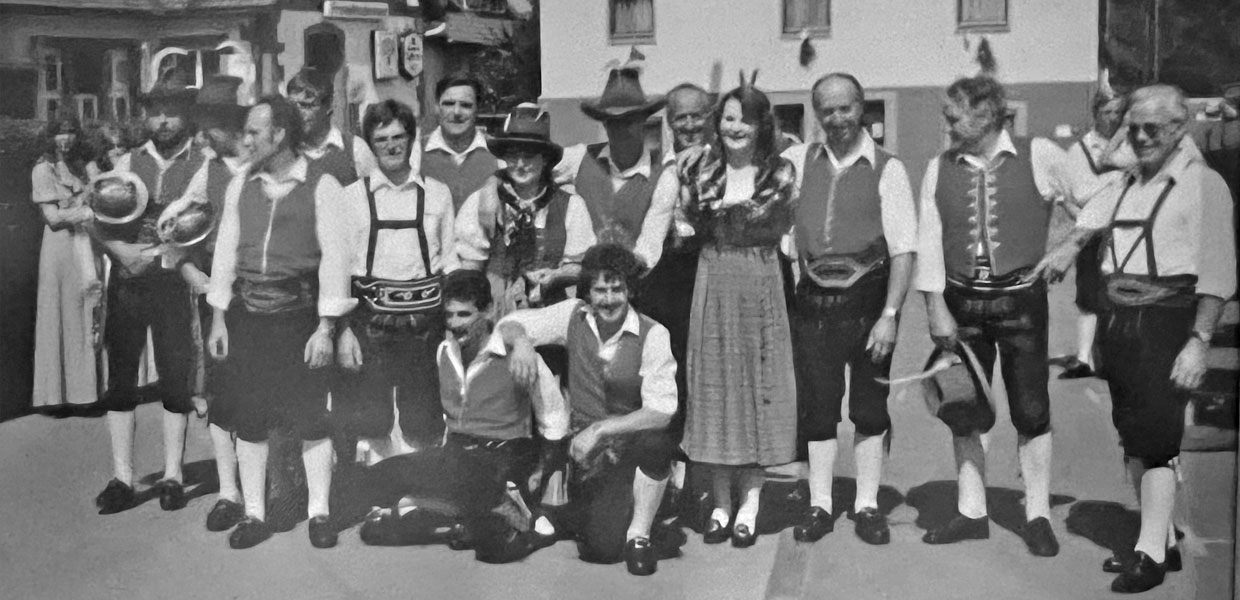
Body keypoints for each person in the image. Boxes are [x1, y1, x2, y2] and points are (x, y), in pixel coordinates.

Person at [1029, 84, 1236, 594]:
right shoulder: (1124, 183)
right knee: (1131, 431)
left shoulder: (1203, 185)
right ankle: (1160, 536)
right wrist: (1064, 251)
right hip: (1118, 322)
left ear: (1180, 128)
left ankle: (1149, 554)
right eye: (1133, 126)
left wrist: (1199, 341)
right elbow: (1090, 220)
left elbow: (1217, 272)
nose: (1140, 137)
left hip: (1167, 321)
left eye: (1153, 128)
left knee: (1158, 437)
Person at [913, 75, 1071, 557]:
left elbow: (1101, 194)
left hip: (1021, 302)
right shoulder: (939, 168)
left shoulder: (1040, 153)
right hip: (963, 305)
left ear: (984, 115)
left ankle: (1038, 515)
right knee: (963, 406)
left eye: (953, 115)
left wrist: (1071, 244)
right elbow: (928, 242)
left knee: (1031, 411)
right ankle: (971, 510)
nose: (947, 123)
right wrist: (935, 307)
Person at [206, 96, 351, 549]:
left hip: (299, 318)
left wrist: (326, 328)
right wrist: (218, 319)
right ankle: (253, 513)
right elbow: (224, 254)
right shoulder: (240, 185)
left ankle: (320, 514)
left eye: (253, 132)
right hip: (248, 317)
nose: (245, 140)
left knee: (309, 415)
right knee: (250, 417)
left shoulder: (321, 185)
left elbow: (335, 261)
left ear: (280, 134)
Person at [780, 73, 917, 545]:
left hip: (868, 299)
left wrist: (890, 315)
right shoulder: (797, 162)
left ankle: (867, 505)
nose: (837, 119)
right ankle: (820, 504)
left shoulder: (888, 168)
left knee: (868, 407)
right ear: (816, 114)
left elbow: (903, 251)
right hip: (813, 299)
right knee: (818, 410)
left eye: (846, 108)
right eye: (827, 111)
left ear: (862, 108)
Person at [356, 269, 569, 559]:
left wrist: (544, 474)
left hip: (503, 458)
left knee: (493, 550)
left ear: (488, 310)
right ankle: (464, 516)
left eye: (464, 315)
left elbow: (554, 418)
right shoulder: (444, 351)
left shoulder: (519, 355)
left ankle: (510, 519)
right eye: (449, 315)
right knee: (378, 481)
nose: (455, 324)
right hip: (458, 455)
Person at [497, 244, 682, 576]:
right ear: (588, 291)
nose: (609, 300)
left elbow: (661, 411)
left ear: (630, 290)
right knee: (598, 549)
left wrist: (600, 430)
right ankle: (640, 517)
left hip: (631, 452)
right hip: (587, 460)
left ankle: (640, 534)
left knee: (656, 443)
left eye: (617, 289)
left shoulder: (653, 333)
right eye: (600, 289)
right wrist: (523, 343)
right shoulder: (573, 314)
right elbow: (511, 322)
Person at [677, 78, 799, 548]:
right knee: (715, 390)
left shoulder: (781, 172)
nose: (736, 127)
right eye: (728, 117)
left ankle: (750, 503)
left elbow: (775, 224)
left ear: (761, 124)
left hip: (760, 281)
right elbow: (687, 219)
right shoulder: (700, 169)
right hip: (712, 281)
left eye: (745, 118)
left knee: (756, 390)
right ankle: (720, 505)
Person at [90, 75, 203, 516]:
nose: (163, 120)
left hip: (174, 282)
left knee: (176, 375)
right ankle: (123, 478)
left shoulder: (202, 164)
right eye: (155, 111)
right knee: (120, 379)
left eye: (172, 111)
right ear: (145, 115)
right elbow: (94, 214)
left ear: (186, 114)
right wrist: (121, 250)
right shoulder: (127, 162)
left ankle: (173, 475)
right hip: (129, 280)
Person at [332, 99, 458, 461]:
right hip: (370, 323)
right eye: (382, 138)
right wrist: (343, 332)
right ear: (371, 144)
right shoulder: (351, 198)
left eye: (398, 136)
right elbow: (339, 272)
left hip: (426, 323)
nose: (391, 145)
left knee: (424, 414)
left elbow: (449, 261)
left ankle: (417, 498)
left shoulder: (437, 193)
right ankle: (382, 494)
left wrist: (450, 325)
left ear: (411, 139)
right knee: (372, 416)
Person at [181, 74, 251, 533]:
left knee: (266, 390)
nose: (207, 134)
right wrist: (193, 273)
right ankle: (229, 491)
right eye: (205, 124)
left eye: (215, 124)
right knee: (222, 393)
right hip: (222, 300)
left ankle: (270, 486)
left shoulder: (271, 166)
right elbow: (178, 229)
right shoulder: (209, 171)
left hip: (269, 295)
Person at [456, 102, 595, 316]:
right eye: (513, 155)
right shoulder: (482, 201)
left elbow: (579, 267)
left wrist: (555, 275)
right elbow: (470, 268)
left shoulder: (570, 205)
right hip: (495, 311)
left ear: (545, 158)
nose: (520, 164)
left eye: (529, 156)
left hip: (550, 312)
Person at [553, 63, 674, 269]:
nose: (621, 129)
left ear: (643, 121)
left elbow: (649, 248)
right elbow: (533, 165)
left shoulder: (663, 175)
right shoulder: (580, 158)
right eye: (612, 122)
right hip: (582, 281)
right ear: (604, 124)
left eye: (629, 121)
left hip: (635, 284)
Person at [1055, 90, 1128, 379]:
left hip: (1127, 233)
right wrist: (1113, 181)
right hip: (1093, 233)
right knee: (1089, 296)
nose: (1112, 118)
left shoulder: (1130, 145)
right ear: (1095, 114)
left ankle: (1116, 359)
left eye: (1117, 113)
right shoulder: (1081, 150)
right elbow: (1077, 195)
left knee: (1122, 294)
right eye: (1106, 112)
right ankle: (1084, 359)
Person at [30, 117, 101, 408]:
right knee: (61, 311)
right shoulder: (42, 169)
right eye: (60, 133)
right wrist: (86, 212)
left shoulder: (80, 166)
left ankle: (85, 394)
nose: (66, 138)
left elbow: (99, 186)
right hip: (59, 250)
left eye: (70, 132)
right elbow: (54, 218)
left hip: (84, 245)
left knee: (86, 310)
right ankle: (55, 395)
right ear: (50, 137)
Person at [420, 76, 499, 213]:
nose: (456, 112)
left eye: (466, 105)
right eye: (448, 104)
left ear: (478, 110)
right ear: (436, 108)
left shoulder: (496, 154)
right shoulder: (416, 153)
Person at [286, 67, 361, 187]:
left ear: (329, 105)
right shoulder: (284, 152)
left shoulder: (354, 149)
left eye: (306, 105)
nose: (298, 114)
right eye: (293, 107)